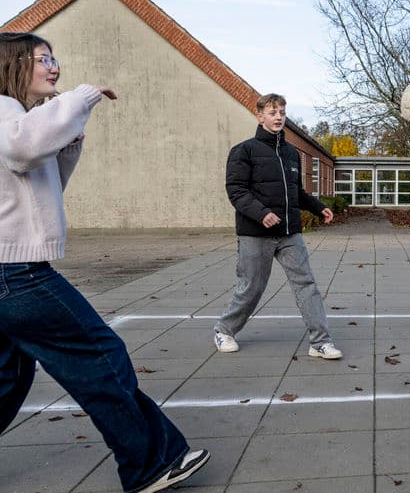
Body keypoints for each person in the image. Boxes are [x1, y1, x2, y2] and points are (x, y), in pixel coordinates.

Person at [0, 32, 209, 493]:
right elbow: (22, 149)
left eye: (54, 58)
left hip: (9, 275)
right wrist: (81, 97)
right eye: (42, 59)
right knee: (99, 357)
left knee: (8, 376)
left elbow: (39, 189)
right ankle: (150, 464)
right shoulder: (5, 112)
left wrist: (67, 149)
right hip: (17, 275)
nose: (53, 66)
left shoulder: (19, 120)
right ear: (13, 65)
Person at [214, 93, 343, 359]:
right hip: (255, 233)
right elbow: (236, 191)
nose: (278, 117)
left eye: (282, 113)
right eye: (273, 113)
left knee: (306, 284)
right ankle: (224, 330)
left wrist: (318, 207)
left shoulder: (291, 153)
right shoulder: (243, 151)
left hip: (289, 233)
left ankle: (320, 342)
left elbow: (297, 192)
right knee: (252, 287)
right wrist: (261, 214)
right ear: (260, 116)